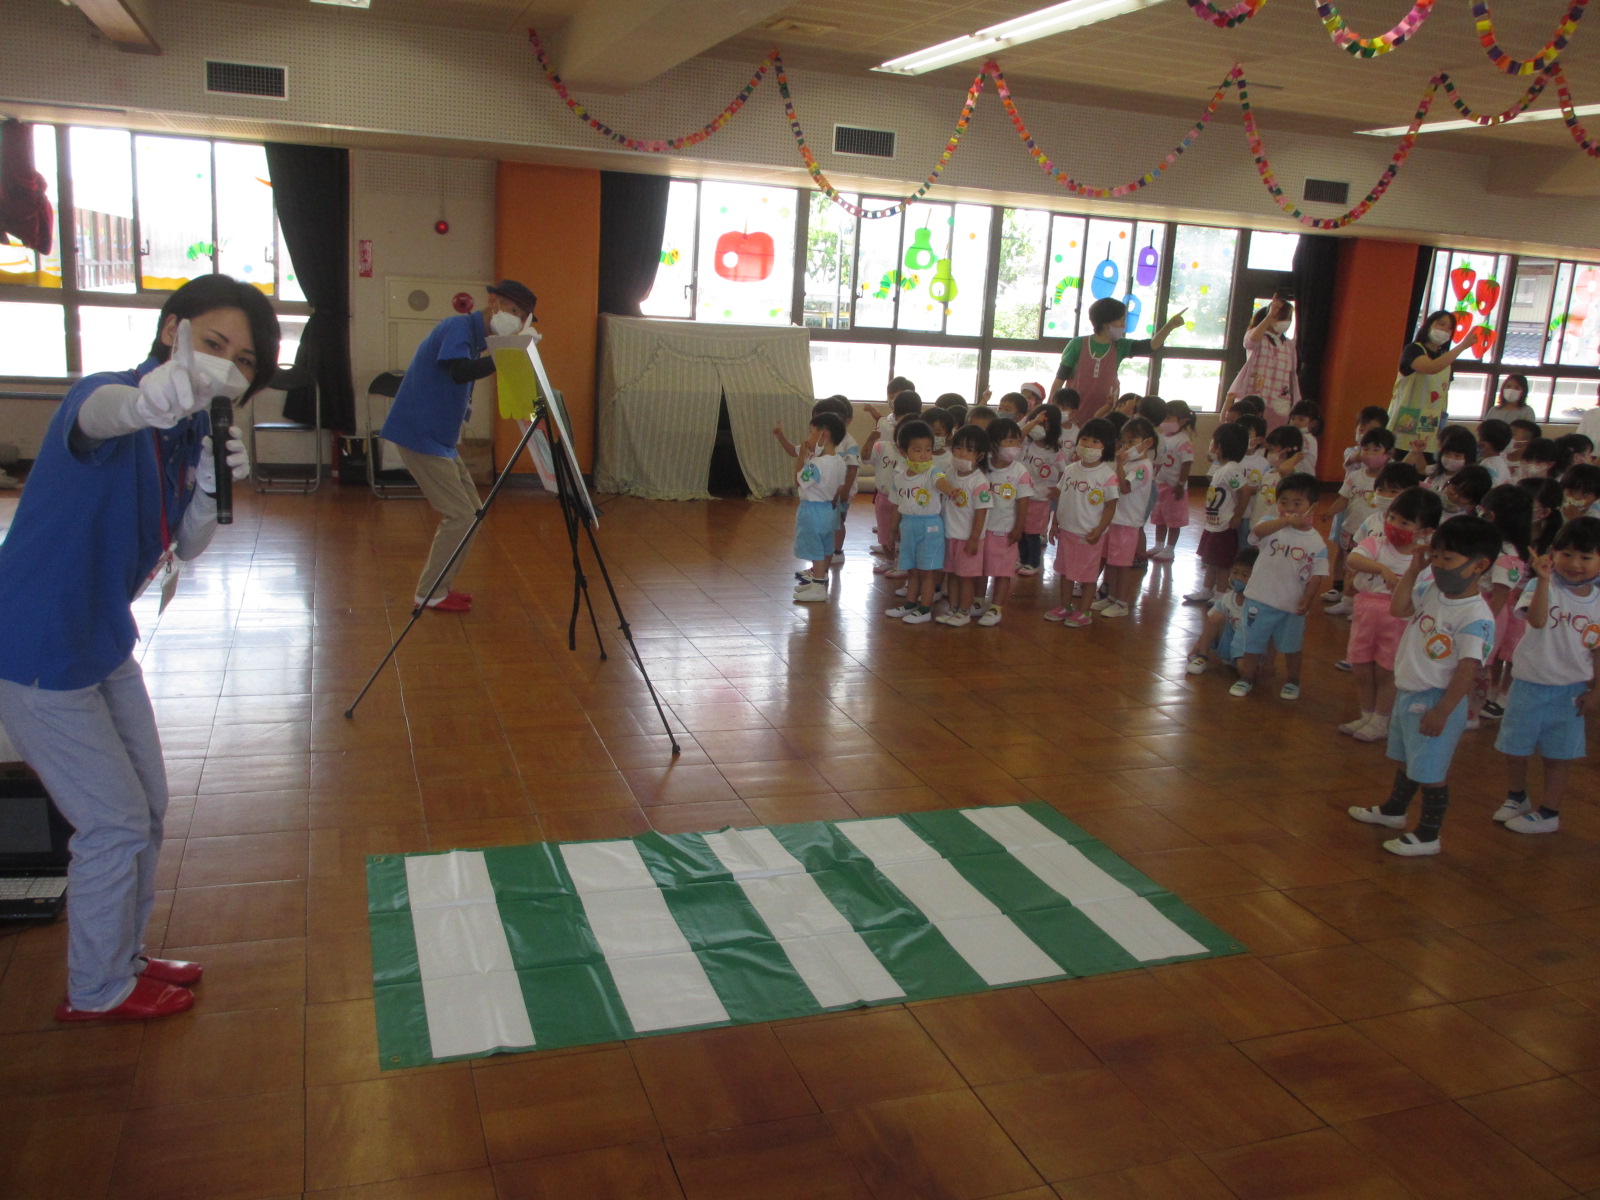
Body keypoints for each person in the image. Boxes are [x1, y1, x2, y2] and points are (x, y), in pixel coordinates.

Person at [0, 275, 275, 1022]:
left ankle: (121, 954)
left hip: (101, 636)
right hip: (35, 647)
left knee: (146, 804)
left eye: (244, 360)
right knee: (113, 818)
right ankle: (96, 990)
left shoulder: (190, 431)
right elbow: (101, 417)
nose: (226, 366)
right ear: (171, 331)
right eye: (213, 345)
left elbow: (183, 544)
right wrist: (145, 403)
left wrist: (211, 493)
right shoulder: (114, 394)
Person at [380, 279, 537, 614]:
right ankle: (428, 592)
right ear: (493, 301)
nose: (516, 319)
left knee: (473, 513)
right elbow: (459, 372)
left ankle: (440, 587)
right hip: (419, 436)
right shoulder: (458, 327)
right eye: (513, 310)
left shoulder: (475, 340)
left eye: (521, 317)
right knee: (460, 515)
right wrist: (506, 353)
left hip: (439, 441)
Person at [1348, 515, 1500, 856]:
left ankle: (1428, 835)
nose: (1440, 565)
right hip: (1409, 692)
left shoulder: (1475, 615)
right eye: (1436, 556)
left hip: (1436, 700)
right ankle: (1393, 811)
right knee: (1407, 760)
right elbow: (1399, 607)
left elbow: (1468, 669)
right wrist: (1415, 571)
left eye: (1449, 559)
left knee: (1431, 771)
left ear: (1480, 566)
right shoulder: (1432, 589)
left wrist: (1443, 711)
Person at [1492, 517, 1600, 834]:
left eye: (1586, 556)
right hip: (1528, 682)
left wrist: (1596, 692)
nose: (1575, 564)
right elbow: (1537, 621)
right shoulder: (1542, 586)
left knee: (1558, 754)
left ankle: (1549, 811)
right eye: (1566, 554)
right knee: (1515, 745)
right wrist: (1540, 581)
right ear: (1553, 554)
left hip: (1571, 690)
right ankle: (1516, 797)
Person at [1340, 479, 1441, 741]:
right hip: (1365, 613)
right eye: (1392, 518)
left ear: (1425, 530)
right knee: (1361, 666)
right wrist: (1382, 569)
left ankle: (1381, 720)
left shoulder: (1424, 561)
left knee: (1386, 670)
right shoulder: (1378, 542)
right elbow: (1353, 558)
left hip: (1398, 621)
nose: (1394, 526)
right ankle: (1367, 714)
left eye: (1405, 523)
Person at [1228, 473, 1331, 701]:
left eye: (1297, 503)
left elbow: (1317, 574)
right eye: (1283, 502)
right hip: (1259, 599)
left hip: (1291, 604)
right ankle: (1247, 676)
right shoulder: (1270, 525)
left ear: (1311, 507)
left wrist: (1308, 598)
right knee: (1253, 641)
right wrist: (1283, 521)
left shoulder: (1316, 542)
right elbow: (1255, 534)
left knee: (1292, 645)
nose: (1289, 508)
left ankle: (1293, 680)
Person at [1047, 297, 1185, 421]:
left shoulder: (1121, 346)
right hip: (1073, 415)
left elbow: (1151, 345)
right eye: (1122, 319)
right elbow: (1060, 379)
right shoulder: (1077, 344)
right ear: (1107, 323)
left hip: (1104, 416)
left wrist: (1169, 326)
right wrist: (1050, 409)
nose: (1124, 325)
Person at [1045, 417, 1119, 628]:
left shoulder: (1107, 475)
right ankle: (1065, 606)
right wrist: (1055, 523)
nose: (1087, 445)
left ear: (1106, 447)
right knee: (1065, 571)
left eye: (1095, 441)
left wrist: (1099, 529)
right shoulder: (1070, 469)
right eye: (1085, 439)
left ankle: (1084, 611)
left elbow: (1110, 505)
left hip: (1089, 534)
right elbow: (1062, 497)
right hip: (1067, 530)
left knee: (1087, 575)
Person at [1324, 426, 1397, 616]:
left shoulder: (1390, 481)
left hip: (1376, 534)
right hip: (1352, 531)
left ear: (1389, 454)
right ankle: (1347, 600)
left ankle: (1365, 602)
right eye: (1365, 449)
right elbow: (1343, 499)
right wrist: (1329, 512)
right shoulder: (1355, 476)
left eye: (1376, 449)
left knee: (1371, 569)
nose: (1369, 454)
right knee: (1351, 567)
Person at [1388, 310, 1473, 457]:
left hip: (1430, 425)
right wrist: (1462, 346)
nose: (1445, 330)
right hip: (1405, 421)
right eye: (1441, 324)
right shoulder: (1413, 350)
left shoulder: (1445, 359)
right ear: (1428, 325)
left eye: (1449, 328)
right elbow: (1430, 368)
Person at [884, 419, 944, 624]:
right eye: (918, 450)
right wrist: (892, 530)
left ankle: (925, 608)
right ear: (904, 452)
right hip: (908, 525)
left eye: (928, 449)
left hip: (929, 526)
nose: (925, 455)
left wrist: (951, 489)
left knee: (927, 571)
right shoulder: (900, 477)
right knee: (912, 568)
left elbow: (942, 482)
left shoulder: (932, 472)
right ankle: (910, 603)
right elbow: (896, 505)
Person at [934, 426, 993, 627]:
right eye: (958, 448)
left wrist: (974, 538)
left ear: (979, 455)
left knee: (966, 578)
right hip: (950, 534)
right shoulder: (950, 473)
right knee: (951, 574)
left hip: (968, 538)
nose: (961, 453)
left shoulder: (979, 482)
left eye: (968, 450)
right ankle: (953, 607)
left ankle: (965, 611)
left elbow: (981, 512)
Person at [1185, 423, 1250, 605]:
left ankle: (1220, 595)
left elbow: (1244, 491)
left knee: (1222, 562)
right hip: (1213, 523)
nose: (1211, 447)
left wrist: (1237, 516)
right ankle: (1206, 590)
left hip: (1224, 525)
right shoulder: (1222, 469)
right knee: (1211, 559)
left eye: (1214, 444)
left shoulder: (1231, 469)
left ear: (1222, 447)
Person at [977, 418, 1033, 626]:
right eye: (1008, 441)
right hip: (982, 529)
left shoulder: (1020, 472)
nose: (1014, 447)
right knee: (980, 568)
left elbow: (1023, 502)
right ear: (993, 443)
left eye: (1017, 441)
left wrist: (1019, 527)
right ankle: (978, 601)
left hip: (1004, 530)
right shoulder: (983, 467)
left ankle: (996, 607)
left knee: (1002, 571)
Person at [1100, 417, 1157, 619]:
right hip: (1115, 519)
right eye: (1124, 443)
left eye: (1132, 442)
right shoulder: (1130, 464)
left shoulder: (1142, 467)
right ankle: (1111, 596)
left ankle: (1122, 602)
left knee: (1122, 564)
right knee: (1111, 561)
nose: (1126, 447)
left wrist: (1120, 465)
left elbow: (1125, 488)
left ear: (1147, 443)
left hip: (1128, 523)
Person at [791, 413, 848, 604]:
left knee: (815, 548)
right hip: (829, 509)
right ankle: (819, 581)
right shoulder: (839, 461)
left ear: (823, 435)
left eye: (811, 432)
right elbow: (840, 485)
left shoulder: (816, 464)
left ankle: (817, 587)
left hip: (813, 509)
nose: (808, 437)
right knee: (825, 547)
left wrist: (801, 458)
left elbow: (798, 481)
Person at [866, 389, 923, 574]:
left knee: (904, 532)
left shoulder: (915, 455)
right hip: (884, 497)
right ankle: (890, 560)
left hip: (907, 499)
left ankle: (903, 563)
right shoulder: (883, 447)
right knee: (884, 530)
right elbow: (865, 457)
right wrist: (870, 439)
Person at [1227, 295, 1299, 427]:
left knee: (1273, 437)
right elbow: (1250, 343)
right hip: (1254, 398)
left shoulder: (1289, 345)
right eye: (1282, 318)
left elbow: (1292, 375)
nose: (1286, 322)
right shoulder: (1260, 337)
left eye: (1289, 318)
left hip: (1279, 402)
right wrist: (1270, 315)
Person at [1186, 548, 1257, 675]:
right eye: (1235, 572)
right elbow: (1210, 623)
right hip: (1227, 643)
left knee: (1245, 672)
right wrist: (1200, 643)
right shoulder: (1227, 598)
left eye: (1245, 575)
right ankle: (1202, 657)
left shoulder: (1259, 603)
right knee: (1215, 617)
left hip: (1247, 649)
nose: (1238, 578)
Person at [1017, 403, 1065, 577]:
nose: (1037, 428)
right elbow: (1018, 435)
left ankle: (1034, 562)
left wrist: (1057, 490)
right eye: (1034, 423)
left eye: (1042, 424)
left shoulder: (1054, 451)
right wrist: (1033, 422)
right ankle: (1023, 559)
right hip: (1021, 495)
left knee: (1032, 533)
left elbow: (1063, 470)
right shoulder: (1026, 443)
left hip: (1039, 498)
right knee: (1021, 530)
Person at [1150, 400, 1196, 562]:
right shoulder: (1163, 437)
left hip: (1174, 487)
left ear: (1182, 421)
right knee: (1159, 517)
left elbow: (1187, 463)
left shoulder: (1183, 440)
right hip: (1160, 484)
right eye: (1165, 418)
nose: (1165, 422)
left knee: (1174, 519)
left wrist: (1180, 484)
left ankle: (1170, 548)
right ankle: (1159, 544)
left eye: (1169, 418)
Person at [1477, 418, 1513, 486]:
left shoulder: (1487, 466)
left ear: (1485, 444)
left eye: (1478, 436)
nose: (1477, 441)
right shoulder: (1500, 462)